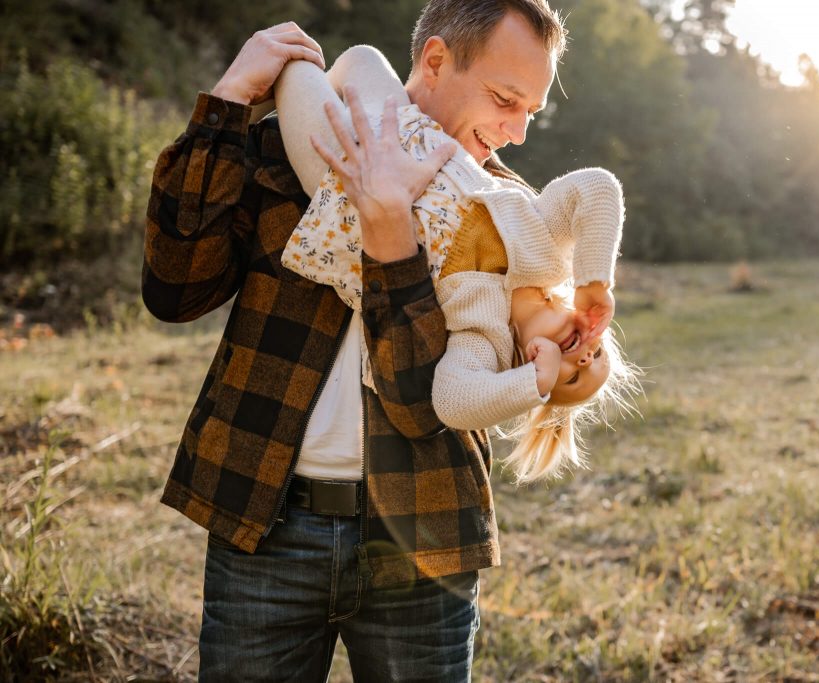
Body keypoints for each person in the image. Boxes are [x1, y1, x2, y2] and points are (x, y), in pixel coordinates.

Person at [141, 2, 567, 681]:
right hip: (264, 526)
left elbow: (420, 402)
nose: (517, 133)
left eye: (530, 113)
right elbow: (173, 288)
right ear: (434, 61)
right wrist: (228, 102)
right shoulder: (293, 146)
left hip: (422, 539)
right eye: (505, 100)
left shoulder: (498, 213)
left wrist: (390, 233)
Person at [275, 45, 637, 483]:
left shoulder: (484, 340)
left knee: (295, 70)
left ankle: (282, 102)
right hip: (410, 131)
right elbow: (597, 187)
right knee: (362, 56)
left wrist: (534, 383)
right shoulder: (546, 248)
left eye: (571, 380)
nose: (582, 360)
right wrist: (595, 280)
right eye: (597, 355)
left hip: (347, 188)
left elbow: (452, 401)